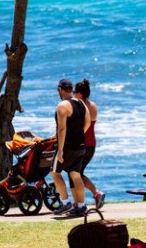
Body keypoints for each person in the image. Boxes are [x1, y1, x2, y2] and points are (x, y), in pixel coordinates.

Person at [51, 78, 91, 216]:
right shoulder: (81, 103)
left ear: (60, 89)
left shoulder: (62, 106)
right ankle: (81, 206)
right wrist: (77, 136)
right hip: (80, 145)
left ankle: (65, 202)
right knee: (75, 174)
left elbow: (62, 129)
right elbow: (87, 123)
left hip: (67, 147)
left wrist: (60, 150)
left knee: (54, 173)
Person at [69, 79, 105, 209]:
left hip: (81, 144)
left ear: (79, 94)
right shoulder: (93, 105)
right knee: (77, 173)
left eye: (74, 92)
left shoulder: (79, 107)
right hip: (91, 144)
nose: (73, 94)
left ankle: (93, 195)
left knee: (75, 173)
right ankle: (82, 200)